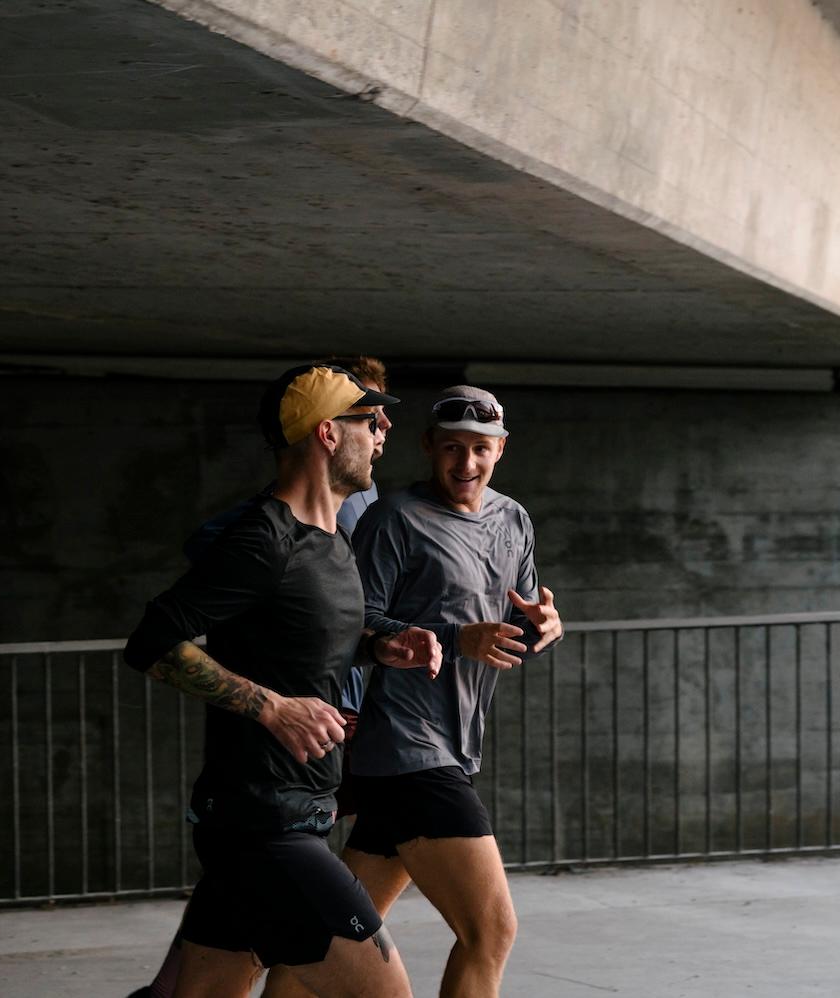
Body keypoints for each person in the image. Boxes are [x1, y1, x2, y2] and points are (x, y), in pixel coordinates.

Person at [121, 363, 439, 998]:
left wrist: (381, 646)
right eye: (368, 420)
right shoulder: (263, 539)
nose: (383, 431)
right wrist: (272, 708)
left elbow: (302, 642)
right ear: (327, 434)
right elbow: (153, 641)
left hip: (291, 815)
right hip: (262, 824)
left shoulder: (331, 541)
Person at [271, 385, 563, 998]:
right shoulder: (395, 519)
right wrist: (457, 639)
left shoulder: (513, 519)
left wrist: (544, 628)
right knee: (492, 931)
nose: (467, 463)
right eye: (453, 448)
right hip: (408, 748)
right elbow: (349, 625)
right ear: (429, 447)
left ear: (501, 449)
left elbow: (516, 621)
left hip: (453, 746)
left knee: (327, 939)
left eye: (481, 449)